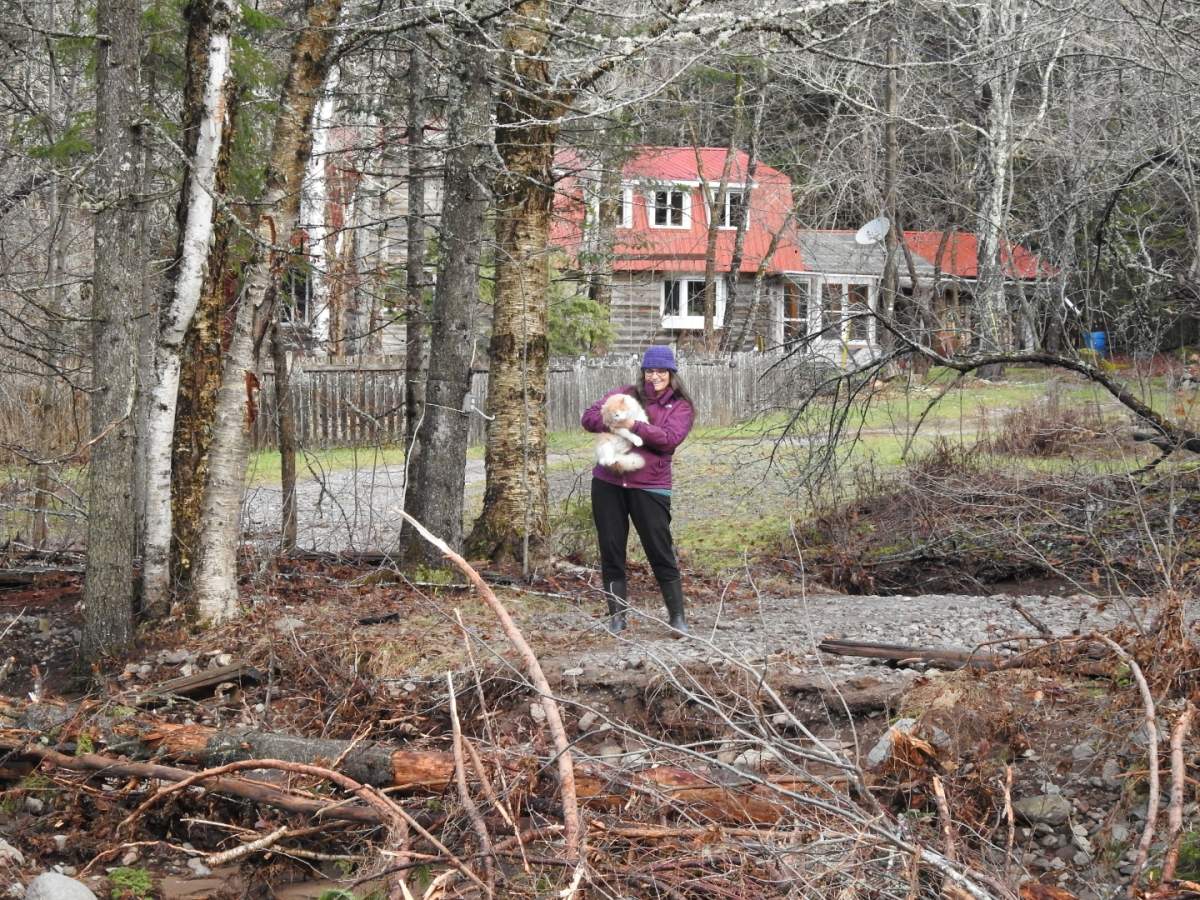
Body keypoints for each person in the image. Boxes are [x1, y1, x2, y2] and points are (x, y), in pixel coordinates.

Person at [580, 345, 695, 635]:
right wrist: (610, 418)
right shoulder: (626, 394)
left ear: (671, 374)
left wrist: (634, 424)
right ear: (642, 371)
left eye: (660, 371)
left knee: (659, 550)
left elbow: (668, 439)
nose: (654, 376)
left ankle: (677, 617)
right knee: (611, 550)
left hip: (650, 486)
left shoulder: (681, 406)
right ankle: (617, 617)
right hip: (608, 483)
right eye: (649, 370)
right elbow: (588, 417)